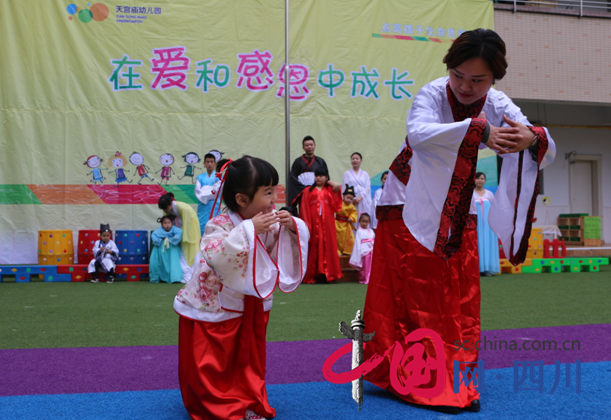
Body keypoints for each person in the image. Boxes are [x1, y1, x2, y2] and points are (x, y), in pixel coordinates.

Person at [363, 28, 556, 414]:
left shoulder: (497, 101)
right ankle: (415, 378)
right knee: (417, 294)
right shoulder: (432, 94)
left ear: (494, 79)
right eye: (459, 76)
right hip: (408, 206)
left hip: (457, 205)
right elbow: (418, 135)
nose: (466, 87)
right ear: (448, 69)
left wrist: (531, 140)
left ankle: (455, 375)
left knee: (461, 295)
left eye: (478, 80)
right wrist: (478, 131)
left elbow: (534, 136)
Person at [173, 156, 309, 420]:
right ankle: (218, 406)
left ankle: (245, 399)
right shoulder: (220, 224)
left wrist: (291, 228)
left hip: (247, 304)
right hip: (215, 304)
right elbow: (214, 253)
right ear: (243, 200)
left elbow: (275, 249)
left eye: (274, 191)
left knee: (246, 358)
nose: (274, 199)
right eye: (268, 192)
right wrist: (248, 230)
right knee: (215, 361)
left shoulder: (263, 220)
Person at [298, 167, 343, 284]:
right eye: (317, 175)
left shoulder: (329, 190)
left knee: (328, 245)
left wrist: (326, 181)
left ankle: (329, 275)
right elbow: (304, 208)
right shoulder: (308, 190)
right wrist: (306, 224)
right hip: (313, 222)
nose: (318, 178)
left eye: (322, 175)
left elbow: (338, 185)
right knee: (314, 246)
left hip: (327, 222)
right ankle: (312, 275)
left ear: (326, 177)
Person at [158, 192, 201, 283]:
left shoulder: (184, 208)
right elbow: (167, 222)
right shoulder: (167, 209)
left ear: (171, 203)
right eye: (163, 209)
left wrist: (181, 236)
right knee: (181, 255)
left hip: (188, 233)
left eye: (166, 208)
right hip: (177, 233)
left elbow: (189, 225)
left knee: (190, 253)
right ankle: (184, 276)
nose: (165, 211)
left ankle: (193, 276)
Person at [287, 135, 329, 207]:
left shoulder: (321, 161)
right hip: (304, 193)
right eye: (307, 145)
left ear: (315, 146)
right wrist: (304, 188)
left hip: (318, 193)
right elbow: (292, 177)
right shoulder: (298, 161)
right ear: (303, 147)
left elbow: (326, 178)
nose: (309, 147)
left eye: (311, 145)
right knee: (304, 213)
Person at [472, 172, 500, 276]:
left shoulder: (489, 194)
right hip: (476, 224)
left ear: (485, 180)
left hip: (488, 225)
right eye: (478, 178)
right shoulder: (471, 194)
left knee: (488, 243)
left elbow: (494, 209)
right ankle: (477, 268)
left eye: (482, 178)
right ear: (474, 180)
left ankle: (488, 268)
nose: (480, 180)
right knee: (477, 244)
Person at [150, 215, 183, 284]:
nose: (167, 225)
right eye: (165, 223)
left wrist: (172, 239)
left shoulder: (175, 229)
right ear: (162, 224)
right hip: (162, 249)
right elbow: (154, 235)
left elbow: (179, 233)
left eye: (169, 223)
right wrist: (159, 240)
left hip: (172, 249)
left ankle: (174, 277)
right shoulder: (158, 231)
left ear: (172, 223)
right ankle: (162, 277)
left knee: (173, 262)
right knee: (162, 262)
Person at [342, 152, 372, 229]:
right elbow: (344, 189)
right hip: (351, 200)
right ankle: (352, 239)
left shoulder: (365, 174)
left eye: (357, 158)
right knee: (353, 217)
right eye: (353, 158)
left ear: (361, 161)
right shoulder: (347, 173)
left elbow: (367, 188)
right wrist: (351, 200)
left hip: (363, 199)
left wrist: (360, 197)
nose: (355, 160)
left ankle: (365, 238)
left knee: (363, 217)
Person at [194, 153, 222, 234]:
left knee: (215, 225)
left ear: (215, 163)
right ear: (204, 163)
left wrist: (205, 190)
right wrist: (211, 191)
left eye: (212, 161)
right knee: (202, 225)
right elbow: (198, 192)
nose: (210, 164)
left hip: (215, 205)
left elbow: (217, 192)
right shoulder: (200, 177)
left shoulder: (219, 177)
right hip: (203, 205)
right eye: (208, 161)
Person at [349, 213, 375, 284]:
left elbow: (373, 239)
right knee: (364, 266)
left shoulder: (371, 231)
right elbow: (357, 241)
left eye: (366, 222)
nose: (364, 223)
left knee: (370, 266)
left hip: (371, 249)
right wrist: (358, 251)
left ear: (369, 222)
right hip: (363, 250)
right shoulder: (359, 231)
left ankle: (370, 279)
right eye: (363, 221)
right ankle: (364, 279)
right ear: (360, 221)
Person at [335, 185, 358, 255]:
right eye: (348, 198)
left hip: (346, 225)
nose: (349, 200)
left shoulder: (351, 206)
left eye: (351, 199)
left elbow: (354, 213)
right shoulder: (339, 203)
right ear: (343, 197)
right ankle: (337, 250)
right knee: (337, 237)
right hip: (336, 223)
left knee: (345, 238)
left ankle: (345, 251)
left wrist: (351, 218)